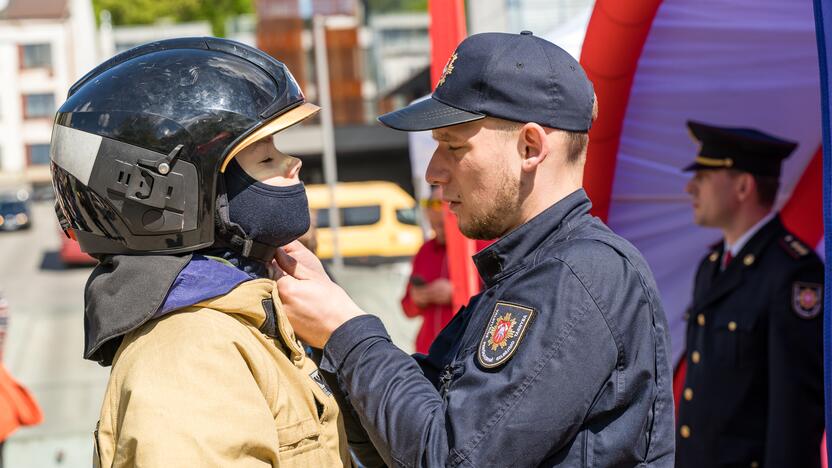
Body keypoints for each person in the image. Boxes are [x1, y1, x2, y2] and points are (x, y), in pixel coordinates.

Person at [274, 31, 675, 467]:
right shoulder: (533, 270)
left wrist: (345, 330)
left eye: (453, 145)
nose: (433, 171)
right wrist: (329, 328)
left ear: (531, 147)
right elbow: (399, 441)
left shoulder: (577, 275)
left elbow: (448, 457)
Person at [50, 38, 351, 466]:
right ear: (168, 193)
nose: (293, 163)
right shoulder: (188, 356)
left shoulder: (238, 314)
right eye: (265, 158)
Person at [675, 121, 824, 468]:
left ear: (743, 186)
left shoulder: (793, 274)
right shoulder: (712, 266)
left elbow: (795, 415)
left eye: (704, 177)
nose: (690, 187)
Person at [401, 185, 454, 354]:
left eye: (440, 204)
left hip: (462, 350)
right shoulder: (424, 252)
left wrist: (455, 294)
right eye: (430, 205)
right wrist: (417, 299)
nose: (434, 211)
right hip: (428, 351)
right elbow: (407, 307)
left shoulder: (479, 246)